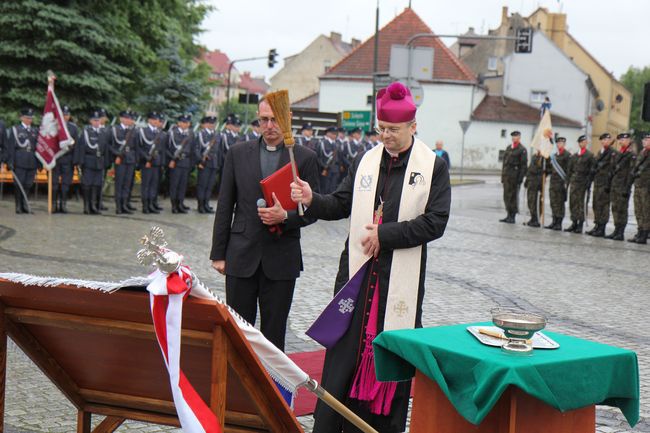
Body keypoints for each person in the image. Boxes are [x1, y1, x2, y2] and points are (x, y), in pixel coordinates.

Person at [290, 82, 450, 433]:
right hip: (357, 278)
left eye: (393, 130)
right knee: (342, 361)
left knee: (389, 361)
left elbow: (436, 222)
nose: (386, 136)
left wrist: (386, 235)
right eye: (381, 129)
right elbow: (340, 203)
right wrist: (312, 197)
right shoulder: (366, 161)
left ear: (413, 126)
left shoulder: (432, 167)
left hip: (397, 283)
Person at [210, 98, 320, 351]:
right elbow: (225, 204)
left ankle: (273, 388)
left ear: (287, 118)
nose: (269, 126)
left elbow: (313, 210)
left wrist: (286, 218)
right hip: (241, 254)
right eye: (264, 120)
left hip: (281, 257)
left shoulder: (304, 158)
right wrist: (218, 253)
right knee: (237, 330)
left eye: (275, 120)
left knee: (274, 333)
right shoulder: (238, 153)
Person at [74, 110, 107, 215]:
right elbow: (80, 148)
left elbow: (105, 149)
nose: (97, 122)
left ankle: (93, 206)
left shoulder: (103, 132)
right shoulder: (86, 132)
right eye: (94, 120)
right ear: (91, 121)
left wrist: (105, 162)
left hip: (99, 161)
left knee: (96, 184)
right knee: (87, 184)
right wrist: (80, 162)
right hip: (88, 161)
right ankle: (86, 206)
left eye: (98, 120)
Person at [7, 108, 39, 214]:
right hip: (19, 160)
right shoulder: (15, 130)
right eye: (27, 118)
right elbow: (10, 147)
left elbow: (38, 147)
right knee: (19, 184)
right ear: (22, 118)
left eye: (31, 118)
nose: (30, 120)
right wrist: (10, 162)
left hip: (32, 161)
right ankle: (18, 206)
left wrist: (39, 162)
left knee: (28, 184)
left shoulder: (35, 130)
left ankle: (25, 205)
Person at [605, 132, 636, 240]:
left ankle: (621, 232)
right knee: (615, 208)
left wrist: (627, 188)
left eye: (623, 140)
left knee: (622, 209)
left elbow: (631, 173)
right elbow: (613, 169)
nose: (621, 141)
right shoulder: (618, 154)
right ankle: (616, 230)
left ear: (628, 141)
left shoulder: (631, 155)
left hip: (623, 186)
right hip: (615, 185)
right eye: (620, 140)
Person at [108, 110, 138, 214]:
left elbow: (136, 146)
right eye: (126, 118)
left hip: (130, 159)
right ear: (121, 119)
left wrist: (135, 159)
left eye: (130, 118)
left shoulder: (134, 130)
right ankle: (118, 206)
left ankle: (125, 204)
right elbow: (109, 145)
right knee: (119, 183)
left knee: (127, 183)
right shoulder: (115, 129)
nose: (129, 120)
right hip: (120, 159)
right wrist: (117, 154)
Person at [586, 133, 616, 237]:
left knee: (604, 205)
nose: (604, 142)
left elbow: (613, 168)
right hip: (598, 182)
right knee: (596, 204)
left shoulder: (612, 153)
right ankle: (597, 225)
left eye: (607, 140)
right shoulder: (600, 152)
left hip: (605, 183)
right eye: (603, 140)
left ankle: (602, 227)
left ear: (610, 141)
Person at [564, 135, 595, 233]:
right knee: (573, 202)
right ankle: (574, 222)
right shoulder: (574, 156)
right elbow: (569, 170)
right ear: (579, 143)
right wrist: (567, 182)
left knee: (581, 203)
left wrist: (588, 182)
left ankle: (580, 224)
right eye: (581, 142)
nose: (583, 143)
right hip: (574, 182)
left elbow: (592, 170)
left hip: (583, 182)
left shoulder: (590, 155)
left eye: (585, 142)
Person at [137, 112, 165, 214]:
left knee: (154, 185)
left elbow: (161, 150)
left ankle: (151, 204)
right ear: (149, 120)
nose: (155, 121)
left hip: (156, 162)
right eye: (153, 119)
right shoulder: (143, 131)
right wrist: (146, 159)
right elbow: (139, 147)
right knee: (146, 185)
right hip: (146, 162)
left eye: (157, 120)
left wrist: (161, 163)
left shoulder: (159, 132)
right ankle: (145, 206)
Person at [52, 106, 78, 214]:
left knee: (66, 184)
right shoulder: (53, 126)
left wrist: (75, 161)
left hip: (68, 159)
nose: (65, 117)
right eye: (63, 114)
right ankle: (53, 205)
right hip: (56, 159)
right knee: (54, 184)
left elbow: (77, 146)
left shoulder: (73, 128)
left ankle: (63, 204)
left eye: (67, 115)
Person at [166, 114, 194, 214]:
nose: (185, 124)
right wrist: (171, 160)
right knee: (175, 185)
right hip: (176, 162)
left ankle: (180, 204)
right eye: (183, 122)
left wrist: (191, 164)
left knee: (182, 185)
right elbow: (167, 149)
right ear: (178, 123)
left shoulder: (190, 134)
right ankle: (174, 205)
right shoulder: (172, 133)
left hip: (186, 163)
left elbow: (192, 150)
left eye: (187, 123)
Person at [194, 115, 221, 214]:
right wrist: (199, 161)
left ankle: (206, 204)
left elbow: (219, 151)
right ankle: (200, 205)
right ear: (206, 124)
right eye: (210, 123)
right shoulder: (201, 134)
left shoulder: (217, 135)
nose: (212, 125)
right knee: (202, 185)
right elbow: (196, 149)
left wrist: (219, 163)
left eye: (213, 123)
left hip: (214, 164)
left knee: (209, 186)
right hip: (204, 164)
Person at [500, 131, 527, 223]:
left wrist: (520, 178)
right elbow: (505, 163)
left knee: (513, 197)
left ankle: (513, 216)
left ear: (519, 137)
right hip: (507, 176)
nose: (514, 138)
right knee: (506, 196)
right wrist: (503, 176)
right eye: (513, 136)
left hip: (515, 177)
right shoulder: (509, 148)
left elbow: (523, 166)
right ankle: (508, 214)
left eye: (516, 136)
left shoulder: (522, 149)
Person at [628, 133, 650, 244]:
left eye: (647, 140)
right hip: (638, 185)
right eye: (644, 140)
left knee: (646, 211)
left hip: (647, 187)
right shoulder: (642, 153)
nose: (644, 142)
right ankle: (640, 231)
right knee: (638, 210)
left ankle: (645, 234)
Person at [544, 137, 570, 230]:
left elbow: (568, 170)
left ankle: (559, 222)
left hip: (561, 183)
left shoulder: (567, 155)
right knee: (553, 202)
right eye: (558, 143)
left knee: (559, 203)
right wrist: (546, 170)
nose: (559, 144)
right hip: (553, 183)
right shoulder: (554, 156)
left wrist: (566, 183)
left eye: (562, 143)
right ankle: (554, 220)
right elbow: (551, 168)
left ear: (564, 144)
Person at [523, 149, 544, 227]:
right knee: (530, 201)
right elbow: (530, 169)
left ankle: (537, 219)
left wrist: (541, 182)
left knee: (537, 201)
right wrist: (527, 180)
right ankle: (533, 217)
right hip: (531, 182)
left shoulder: (545, 158)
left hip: (538, 183)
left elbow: (546, 171)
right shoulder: (534, 156)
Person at [317, 126, 339, 194]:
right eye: (333, 133)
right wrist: (324, 167)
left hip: (334, 169)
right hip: (325, 169)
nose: (334, 135)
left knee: (333, 188)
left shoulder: (336, 143)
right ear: (327, 133)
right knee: (325, 188)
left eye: (336, 133)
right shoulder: (322, 143)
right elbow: (318, 157)